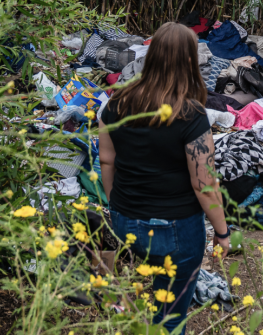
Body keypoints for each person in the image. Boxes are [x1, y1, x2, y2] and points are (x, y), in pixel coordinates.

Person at [98, 22, 230, 334]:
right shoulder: (191, 115)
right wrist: (223, 233)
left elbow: (106, 159)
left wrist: (117, 205)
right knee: (170, 317)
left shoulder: (117, 102)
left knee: (139, 299)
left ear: (151, 54)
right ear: (189, 61)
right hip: (176, 228)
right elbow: (205, 185)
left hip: (125, 220)